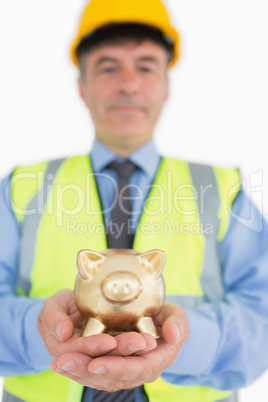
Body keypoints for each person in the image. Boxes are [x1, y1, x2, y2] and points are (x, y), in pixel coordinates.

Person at [0, 0, 268, 401]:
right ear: (82, 86)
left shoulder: (220, 186)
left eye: (145, 66)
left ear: (165, 86)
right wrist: (42, 332)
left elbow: (261, 315)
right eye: (108, 67)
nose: (128, 83)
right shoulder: (24, 186)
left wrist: (182, 343)